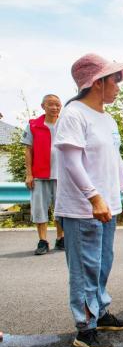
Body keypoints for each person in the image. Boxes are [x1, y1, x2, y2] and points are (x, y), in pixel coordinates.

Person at [54, 53, 123, 347]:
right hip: (82, 208)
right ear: (97, 82)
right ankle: (84, 328)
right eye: (114, 79)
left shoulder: (107, 117)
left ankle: (100, 313)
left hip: (107, 205)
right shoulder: (73, 113)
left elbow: (114, 160)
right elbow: (71, 162)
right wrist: (94, 196)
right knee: (84, 268)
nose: (119, 84)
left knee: (102, 263)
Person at [21, 94, 65, 255]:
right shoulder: (34, 125)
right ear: (43, 106)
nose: (54, 107)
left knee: (61, 209)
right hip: (40, 175)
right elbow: (28, 150)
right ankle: (43, 241)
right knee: (40, 210)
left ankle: (61, 238)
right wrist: (29, 174)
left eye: (57, 104)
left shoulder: (65, 123)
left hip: (62, 175)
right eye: (50, 104)